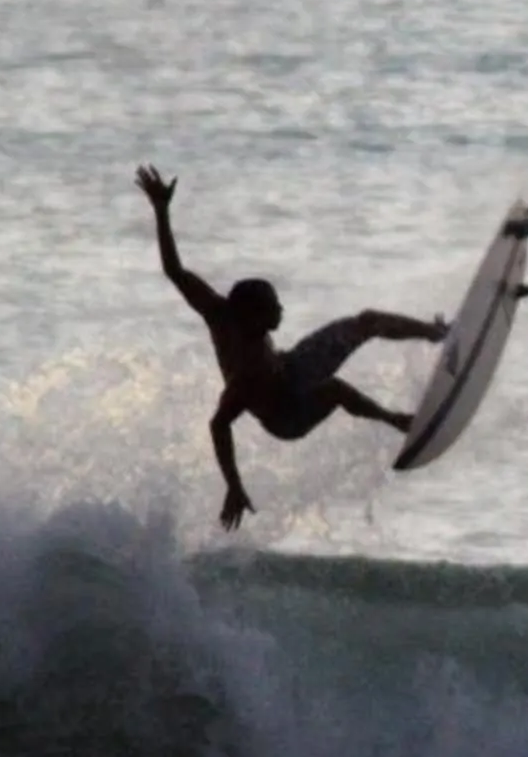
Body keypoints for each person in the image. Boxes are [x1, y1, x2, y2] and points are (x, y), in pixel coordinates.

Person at [134, 166, 445, 529]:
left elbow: (175, 271)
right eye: (273, 308)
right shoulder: (247, 375)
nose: (281, 310)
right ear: (253, 316)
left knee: (367, 321)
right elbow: (219, 424)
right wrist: (233, 485)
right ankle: (395, 420)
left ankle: (437, 332)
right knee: (333, 389)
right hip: (286, 414)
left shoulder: (220, 311)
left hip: (291, 367)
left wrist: (161, 210)